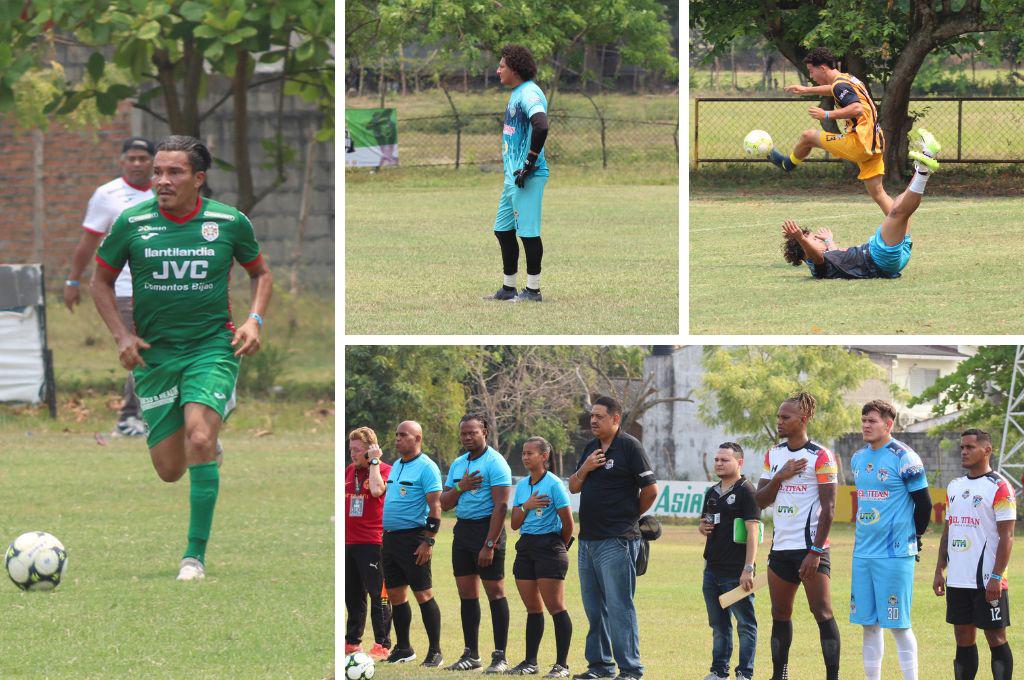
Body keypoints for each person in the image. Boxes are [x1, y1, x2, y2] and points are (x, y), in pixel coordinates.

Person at [91, 135, 272, 581]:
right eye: (158, 172)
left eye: (174, 172)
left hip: (212, 347)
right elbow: (101, 281)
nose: (162, 180)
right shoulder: (132, 223)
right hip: (155, 356)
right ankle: (207, 439)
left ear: (198, 178)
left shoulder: (228, 222)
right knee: (170, 470)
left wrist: (253, 320)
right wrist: (121, 336)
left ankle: (194, 557)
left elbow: (261, 273)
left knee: (198, 439)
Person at [65, 137, 156, 437]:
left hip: (162, 287)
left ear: (153, 162)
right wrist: (73, 280)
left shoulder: (164, 191)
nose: (137, 164)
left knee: (159, 348)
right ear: (122, 161)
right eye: (132, 158)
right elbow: (88, 241)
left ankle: (151, 414)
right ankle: (129, 418)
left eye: (143, 158)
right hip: (124, 287)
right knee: (138, 347)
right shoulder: (107, 195)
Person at [568, 396, 658, 680]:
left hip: (617, 540)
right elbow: (573, 486)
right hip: (587, 541)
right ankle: (600, 665)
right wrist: (586, 468)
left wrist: (629, 518)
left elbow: (651, 490)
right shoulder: (590, 448)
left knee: (620, 607)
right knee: (594, 608)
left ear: (616, 419)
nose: (593, 420)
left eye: (600, 416)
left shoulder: (630, 446)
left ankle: (630, 669)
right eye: (592, 416)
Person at [755, 393, 841, 680]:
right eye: (778, 416)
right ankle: (779, 675)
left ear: (803, 419)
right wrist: (780, 476)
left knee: (822, 612)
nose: (779, 422)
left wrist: (815, 552)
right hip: (781, 549)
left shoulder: (821, 456)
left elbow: (829, 509)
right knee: (779, 613)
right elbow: (760, 501)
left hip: (811, 549)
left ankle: (833, 676)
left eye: (785, 417)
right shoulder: (774, 454)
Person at [781, 128, 941, 280]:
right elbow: (816, 257)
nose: (818, 240)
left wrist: (829, 241)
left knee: (900, 211)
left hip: (890, 260)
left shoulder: (828, 259)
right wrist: (800, 238)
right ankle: (923, 168)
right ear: (805, 254)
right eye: (814, 241)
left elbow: (836, 257)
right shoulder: (816, 267)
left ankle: (925, 162)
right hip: (878, 258)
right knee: (897, 213)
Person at [849, 400, 932, 680]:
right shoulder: (858, 458)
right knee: (869, 625)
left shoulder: (905, 458)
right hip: (863, 553)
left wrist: (915, 537)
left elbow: (924, 504)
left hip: (894, 553)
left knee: (898, 625)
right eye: (864, 420)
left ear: (888, 424)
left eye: (872, 420)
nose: (866, 425)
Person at [933, 429, 1016, 680]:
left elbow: (1007, 536)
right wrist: (939, 569)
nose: (964, 452)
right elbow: (949, 530)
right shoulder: (955, 486)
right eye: (962, 447)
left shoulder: (999, 487)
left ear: (987, 450)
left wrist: (996, 576)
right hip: (958, 579)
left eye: (970, 447)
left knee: (995, 637)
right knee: (963, 637)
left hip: (988, 581)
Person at [767, 47, 891, 214]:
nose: (811, 76)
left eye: (811, 71)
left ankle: (787, 164)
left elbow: (856, 108)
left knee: (808, 136)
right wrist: (806, 90)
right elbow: (834, 89)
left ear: (822, 68)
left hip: (859, 143)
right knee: (879, 194)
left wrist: (826, 114)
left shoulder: (840, 85)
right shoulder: (847, 78)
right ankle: (903, 228)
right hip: (875, 142)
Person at [439, 415, 513, 673]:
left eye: (473, 432)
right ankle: (471, 654)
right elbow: (444, 503)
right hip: (463, 531)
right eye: (464, 433)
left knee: (495, 593)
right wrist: (461, 486)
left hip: (487, 530)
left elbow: (501, 506)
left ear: (485, 432)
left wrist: (489, 544)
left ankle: (500, 656)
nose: (468, 437)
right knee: (467, 594)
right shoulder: (458, 464)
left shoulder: (495, 462)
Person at [484, 43, 550, 303]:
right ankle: (508, 288)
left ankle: (533, 290)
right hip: (512, 177)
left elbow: (541, 125)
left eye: (502, 66)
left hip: (527, 176)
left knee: (528, 233)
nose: (498, 70)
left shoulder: (530, 92)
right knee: (503, 230)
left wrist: (529, 163)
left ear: (515, 68)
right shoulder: (517, 93)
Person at [508, 437, 575, 678]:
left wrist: (559, 547)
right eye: (524, 453)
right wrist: (526, 505)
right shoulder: (522, 486)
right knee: (533, 608)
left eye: (530, 453)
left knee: (555, 607)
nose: (525, 457)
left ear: (544, 456)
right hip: (526, 547)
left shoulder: (554, 484)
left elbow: (568, 524)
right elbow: (514, 524)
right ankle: (530, 662)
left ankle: (561, 666)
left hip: (550, 547)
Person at [381, 420, 445, 668]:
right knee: (396, 595)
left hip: (414, 539)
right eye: (396, 434)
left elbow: (436, 507)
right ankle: (404, 648)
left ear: (417, 438)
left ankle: (435, 651)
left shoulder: (427, 467)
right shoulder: (397, 465)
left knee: (423, 594)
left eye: (403, 435)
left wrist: (428, 541)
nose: (397, 439)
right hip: (391, 538)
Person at [700, 442, 760, 680]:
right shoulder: (712, 492)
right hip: (712, 570)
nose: (719, 463)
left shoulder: (747, 491)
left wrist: (748, 568)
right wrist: (702, 528)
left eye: (725, 460)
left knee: (745, 624)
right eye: (717, 459)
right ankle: (719, 671)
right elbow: (706, 522)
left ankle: (744, 672)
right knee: (718, 625)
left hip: (736, 572)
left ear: (739, 462)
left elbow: (753, 532)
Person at [345, 426, 393, 662]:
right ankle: (353, 641)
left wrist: (374, 462)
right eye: (350, 449)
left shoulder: (385, 470)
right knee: (353, 594)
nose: (352, 454)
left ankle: (382, 643)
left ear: (370, 450)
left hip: (373, 542)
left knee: (378, 594)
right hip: (349, 542)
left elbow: (376, 491)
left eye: (357, 450)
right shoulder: (349, 471)